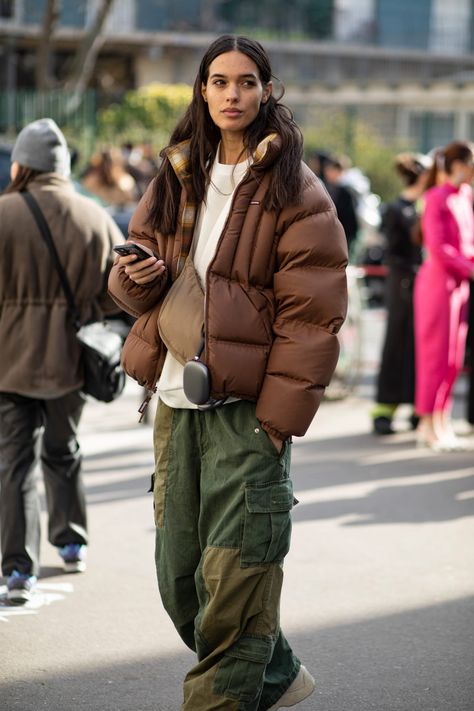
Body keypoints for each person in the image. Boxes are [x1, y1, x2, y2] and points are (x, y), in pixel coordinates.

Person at [109, 35, 347, 710]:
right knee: (180, 583)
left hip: (246, 416)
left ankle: (234, 682)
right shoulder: (175, 175)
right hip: (174, 406)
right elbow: (132, 293)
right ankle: (272, 671)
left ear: (267, 92)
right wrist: (135, 278)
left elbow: (313, 318)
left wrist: (276, 423)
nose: (231, 94)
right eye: (218, 81)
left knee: (235, 584)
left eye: (246, 82)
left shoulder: (298, 193)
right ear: (202, 90)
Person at [0, 118, 123, 603]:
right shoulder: (93, 217)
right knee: (64, 447)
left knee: (14, 461)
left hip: (9, 360)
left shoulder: (2, 214)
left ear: (22, 165)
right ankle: (71, 541)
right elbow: (120, 295)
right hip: (72, 360)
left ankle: (17, 570)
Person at [414, 141, 474, 450]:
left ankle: (442, 420)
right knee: (434, 357)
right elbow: (438, 247)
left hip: (459, 284)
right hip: (438, 284)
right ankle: (427, 423)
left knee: (452, 359)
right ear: (459, 165)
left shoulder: (465, 196)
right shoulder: (435, 197)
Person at [371, 152, 431, 435]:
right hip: (403, 283)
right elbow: (392, 253)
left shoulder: (424, 206)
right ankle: (384, 409)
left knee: (420, 345)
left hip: (422, 283)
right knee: (396, 342)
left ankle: (417, 408)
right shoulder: (397, 209)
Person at [324, 155, 359, 253]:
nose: (327, 173)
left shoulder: (346, 191)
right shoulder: (328, 188)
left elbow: (350, 217)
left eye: (330, 170)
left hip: (342, 235)